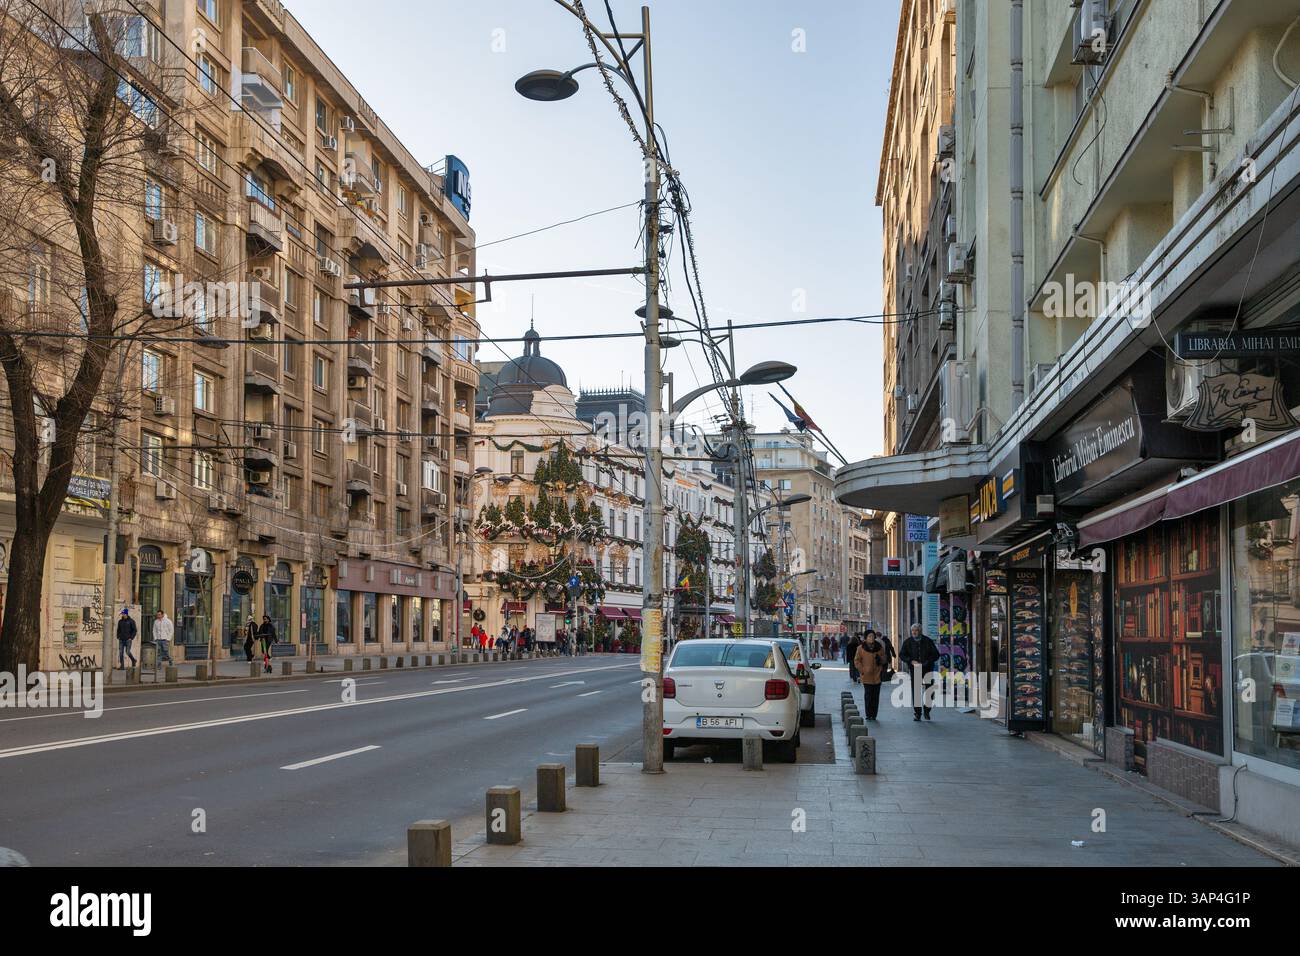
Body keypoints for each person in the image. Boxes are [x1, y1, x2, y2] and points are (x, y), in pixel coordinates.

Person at [900, 624, 941, 721]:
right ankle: (917, 713)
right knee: (916, 691)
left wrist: (927, 662)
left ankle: (927, 711)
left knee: (929, 691)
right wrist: (910, 661)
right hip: (915, 669)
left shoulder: (927, 641)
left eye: (916, 630)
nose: (914, 632)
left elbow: (936, 655)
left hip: (927, 668)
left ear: (920, 631)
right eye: (913, 631)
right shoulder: (908, 642)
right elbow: (902, 654)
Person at [854, 630, 887, 720]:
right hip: (866, 676)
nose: (871, 638)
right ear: (866, 638)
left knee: (875, 696)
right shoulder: (860, 648)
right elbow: (857, 661)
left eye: (872, 636)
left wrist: (880, 659)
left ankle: (874, 715)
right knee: (868, 696)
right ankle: (868, 714)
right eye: (869, 636)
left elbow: (885, 658)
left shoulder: (879, 647)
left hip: (877, 675)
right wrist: (862, 670)